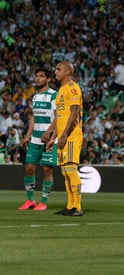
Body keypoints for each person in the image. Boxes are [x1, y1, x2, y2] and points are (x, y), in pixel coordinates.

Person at [46, 61, 84, 216]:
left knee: (71, 170)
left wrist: (63, 135)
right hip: (62, 136)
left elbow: (74, 114)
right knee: (65, 172)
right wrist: (52, 137)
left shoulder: (73, 89)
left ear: (68, 72)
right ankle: (70, 206)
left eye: (58, 69)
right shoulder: (61, 90)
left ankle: (78, 207)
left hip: (71, 136)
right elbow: (59, 117)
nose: (55, 72)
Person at [18, 66, 58, 211]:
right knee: (29, 167)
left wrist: (48, 132)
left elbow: (58, 117)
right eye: (36, 76)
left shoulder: (54, 95)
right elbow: (34, 118)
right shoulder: (35, 96)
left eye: (41, 76)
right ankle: (30, 200)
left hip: (49, 139)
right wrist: (28, 136)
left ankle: (44, 202)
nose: (37, 78)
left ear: (48, 79)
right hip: (35, 139)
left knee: (46, 170)